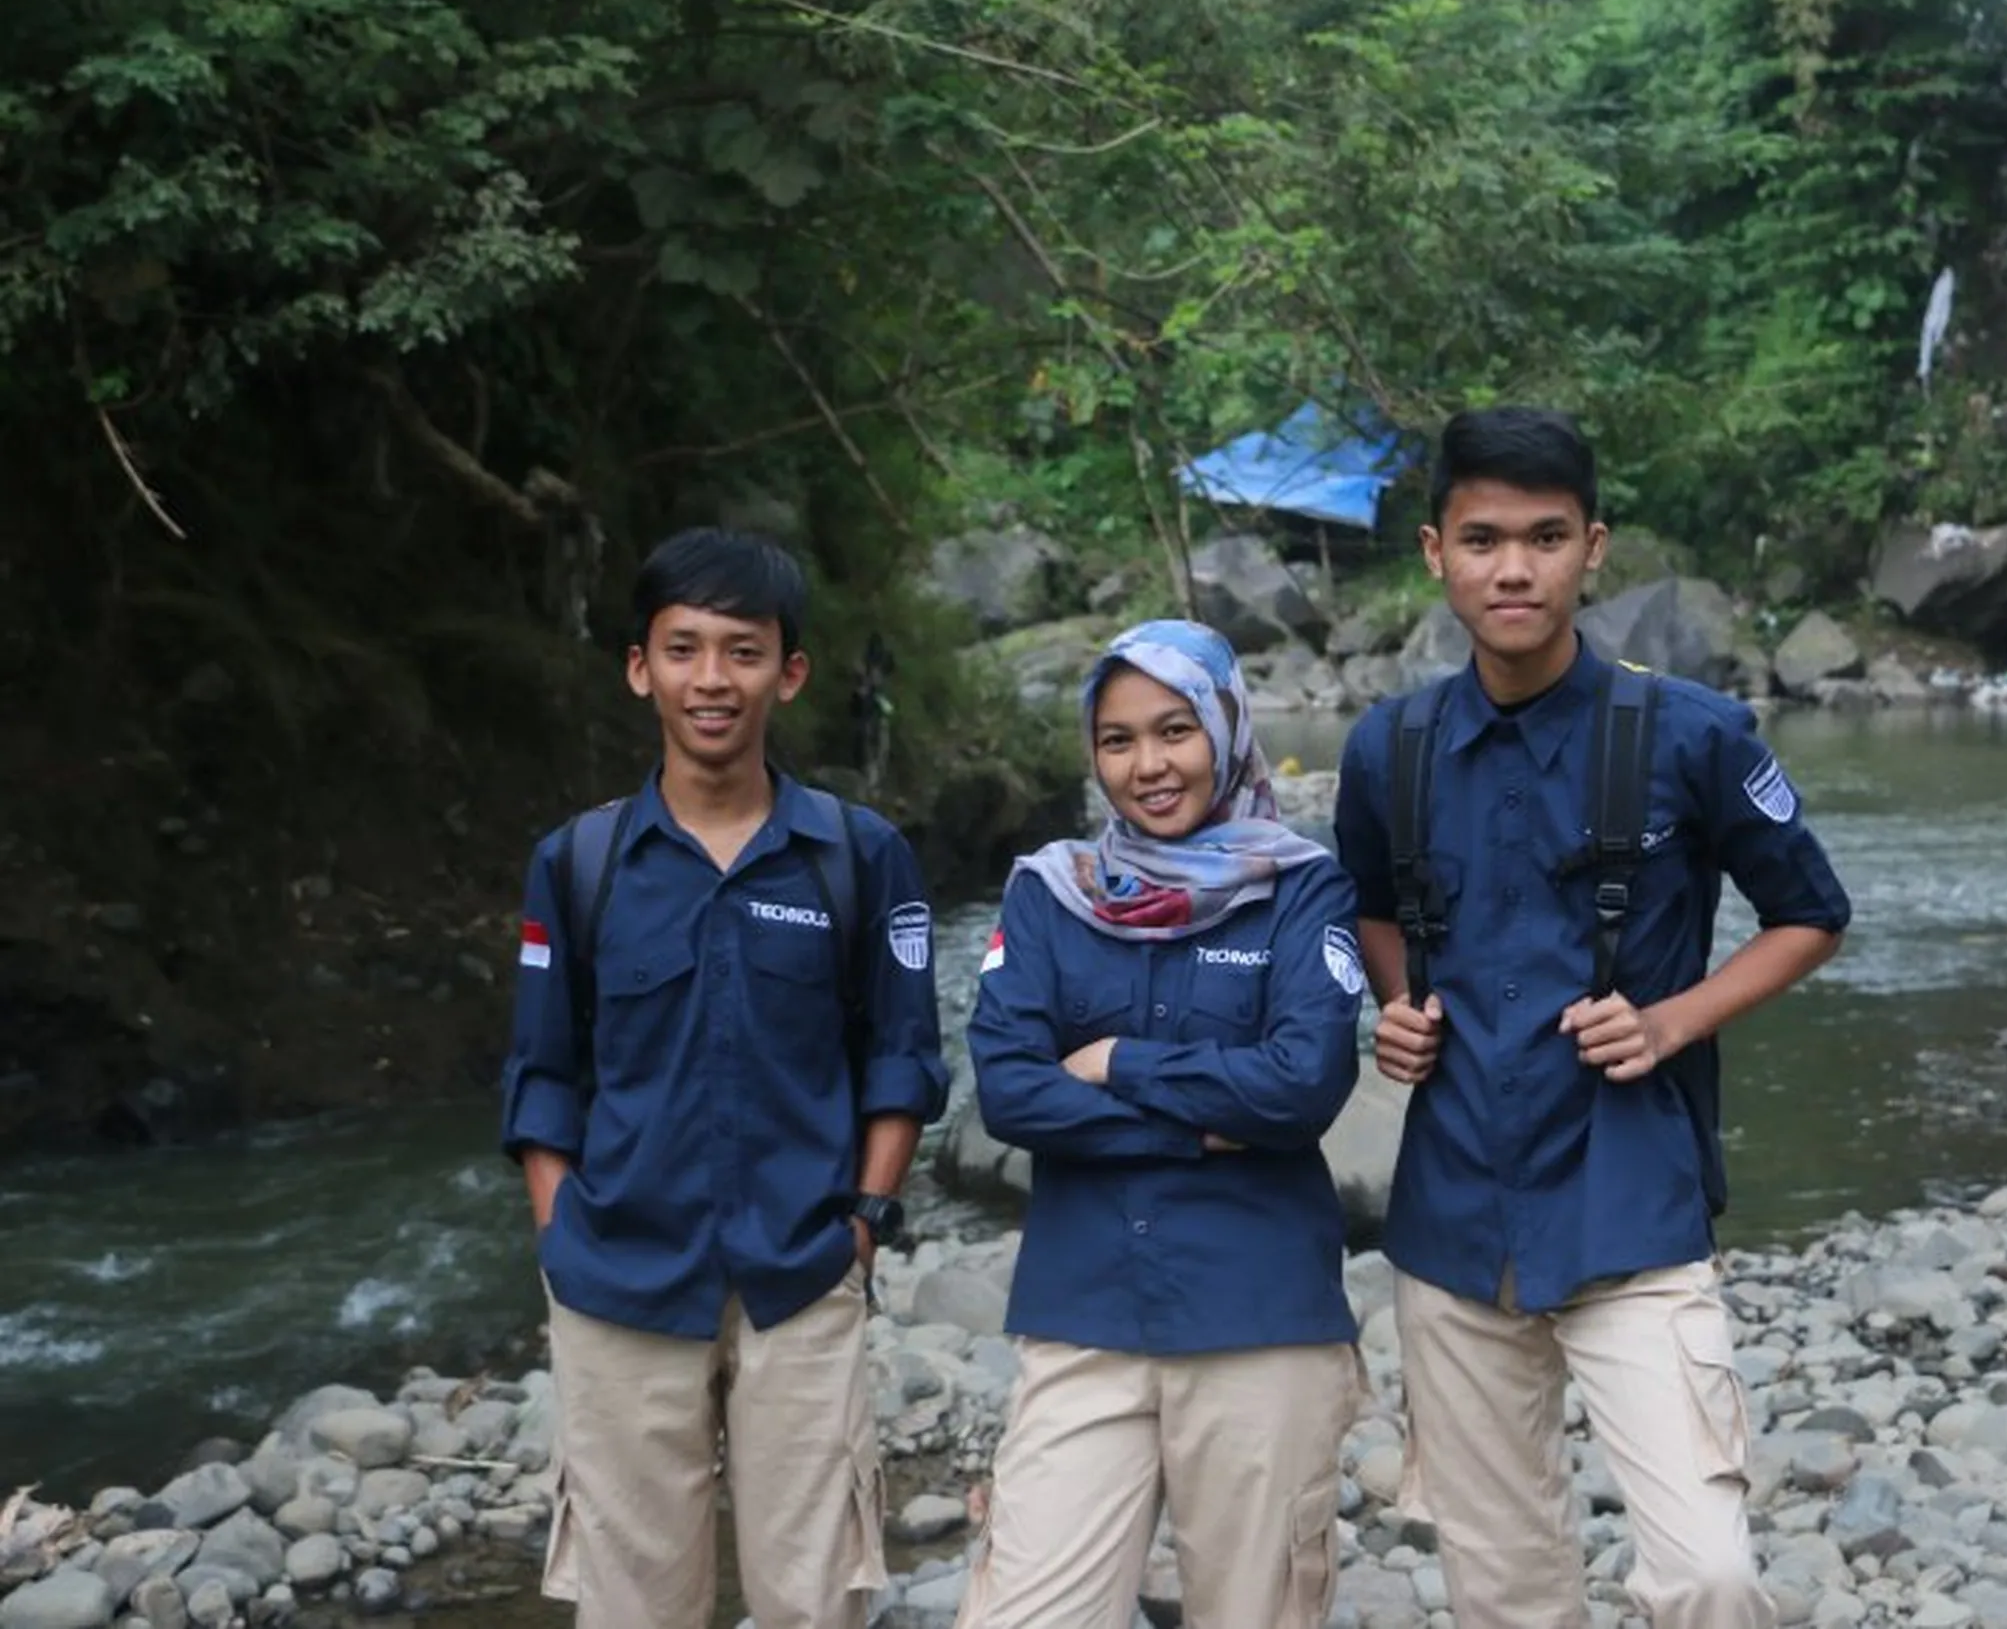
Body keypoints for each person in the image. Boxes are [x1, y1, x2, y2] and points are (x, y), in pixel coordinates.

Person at [1333, 407, 1852, 1629]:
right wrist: (1398, 1007)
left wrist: (1674, 1021)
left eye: (1546, 537)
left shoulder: (1695, 733)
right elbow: (1365, 906)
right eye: (1483, 539)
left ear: (1594, 548)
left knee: (1709, 1573)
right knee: (1506, 1590)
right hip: (1454, 1216)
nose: (1513, 568)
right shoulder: (1386, 748)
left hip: (1631, 1199)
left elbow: (1810, 914)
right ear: (1434, 552)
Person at [499, 527, 950, 1629]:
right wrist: (560, 1233)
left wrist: (865, 1222)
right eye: (684, 649)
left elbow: (904, 1057)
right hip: (616, 1282)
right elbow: (542, 1072)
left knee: (815, 1601)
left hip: (802, 1275)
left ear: (787, 673)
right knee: (632, 1605)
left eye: (742, 652)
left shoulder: (858, 855)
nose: (713, 681)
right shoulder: (580, 862)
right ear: (639, 667)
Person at [958, 619, 1367, 1629]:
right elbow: (1009, 1092)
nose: (1149, 766)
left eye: (1175, 731)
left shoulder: (1301, 888)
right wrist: (1200, 1125)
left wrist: (1120, 1065)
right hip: (1084, 1311)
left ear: (1226, 728)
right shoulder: (1050, 891)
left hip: (1259, 1319)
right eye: (1118, 740)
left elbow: (1302, 1087)